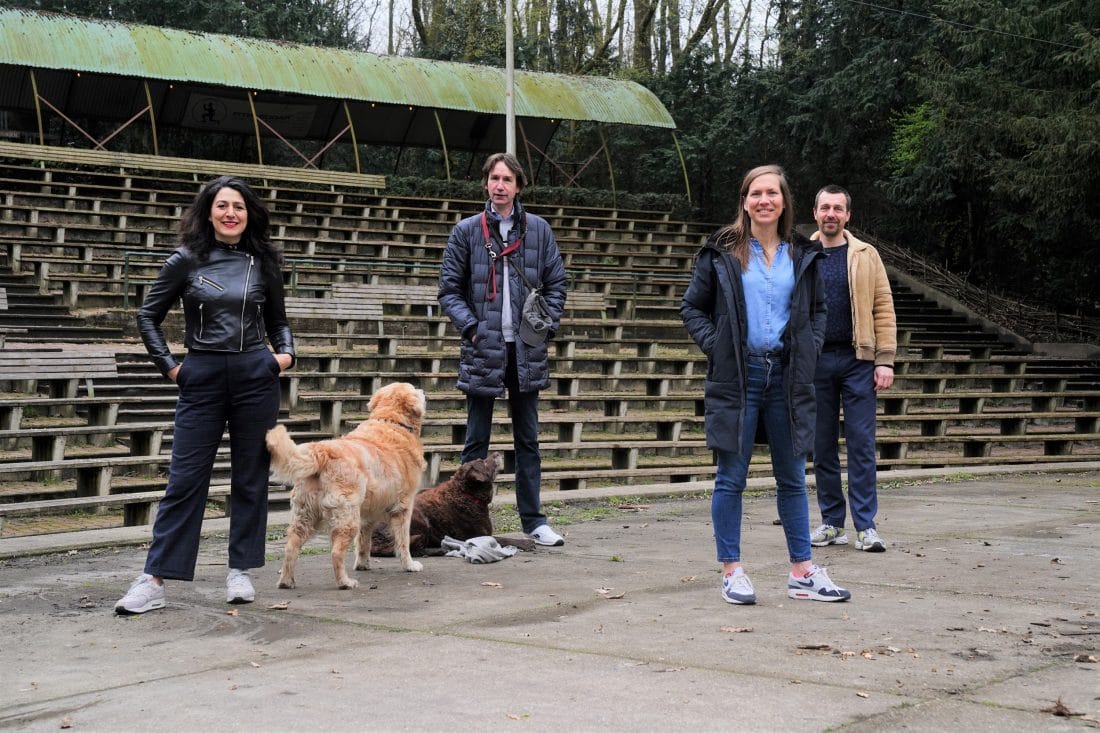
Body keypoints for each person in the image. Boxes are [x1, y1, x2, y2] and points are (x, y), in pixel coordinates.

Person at [115, 176, 296, 614]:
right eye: (222, 206)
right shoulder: (185, 260)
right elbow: (147, 316)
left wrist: (284, 356)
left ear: (249, 213)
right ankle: (154, 579)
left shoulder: (264, 262)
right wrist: (173, 369)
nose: (230, 213)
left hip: (256, 376)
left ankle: (240, 570)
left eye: (238, 206)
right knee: (184, 479)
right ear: (208, 212)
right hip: (202, 376)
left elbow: (279, 321)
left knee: (250, 478)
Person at [681, 164, 850, 605]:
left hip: (787, 376)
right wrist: (718, 347)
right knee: (730, 478)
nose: (764, 201)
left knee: (793, 477)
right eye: (756, 193)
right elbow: (692, 308)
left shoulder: (802, 253)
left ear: (784, 201)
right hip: (738, 375)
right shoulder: (721, 252)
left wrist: (810, 348)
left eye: (772, 193)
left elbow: (817, 312)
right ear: (744, 201)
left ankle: (802, 571)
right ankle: (731, 570)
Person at [438, 153, 568, 546]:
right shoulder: (466, 231)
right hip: (485, 348)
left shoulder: (539, 231)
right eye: (494, 178)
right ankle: (464, 524)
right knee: (476, 440)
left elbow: (557, 284)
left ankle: (534, 521)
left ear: (518, 186)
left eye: (507, 179)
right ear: (485, 183)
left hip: (526, 349)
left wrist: (545, 326)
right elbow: (449, 289)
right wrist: (473, 328)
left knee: (527, 440)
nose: (499, 185)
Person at [809, 185, 896, 552]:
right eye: (825, 207)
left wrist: (885, 360)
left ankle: (866, 526)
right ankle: (831, 522)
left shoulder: (865, 254)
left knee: (862, 444)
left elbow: (883, 306)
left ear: (848, 216)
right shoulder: (800, 253)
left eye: (838, 208)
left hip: (858, 360)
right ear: (815, 213)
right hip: (815, 362)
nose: (831, 213)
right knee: (821, 445)